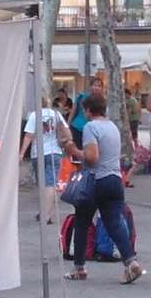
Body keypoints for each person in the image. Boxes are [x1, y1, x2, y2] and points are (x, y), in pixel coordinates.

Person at [60, 94, 144, 284]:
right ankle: (131, 262)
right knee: (114, 222)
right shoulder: (112, 126)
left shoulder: (91, 127)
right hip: (115, 179)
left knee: (82, 221)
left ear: (88, 110)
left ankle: (79, 267)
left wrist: (73, 150)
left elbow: (92, 157)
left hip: (96, 180)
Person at [21, 99, 67, 224]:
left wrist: (21, 153)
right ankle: (48, 214)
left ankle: (44, 212)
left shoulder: (34, 115)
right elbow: (66, 131)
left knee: (42, 184)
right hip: (55, 151)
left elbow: (29, 135)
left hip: (38, 152)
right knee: (51, 183)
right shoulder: (57, 114)